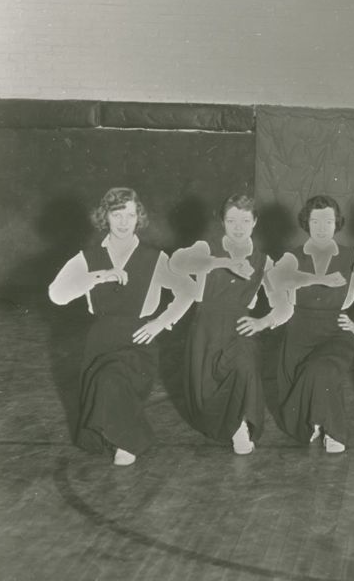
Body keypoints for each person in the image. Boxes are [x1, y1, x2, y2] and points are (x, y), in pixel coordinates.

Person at [48, 187, 194, 466]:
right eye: (118, 214)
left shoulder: (155, 258)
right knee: (103, 388)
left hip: (139, 340)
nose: (124, 222)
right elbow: (57, 294)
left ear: (139, 218)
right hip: (100, 339)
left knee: (111, 380)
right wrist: (99, 276)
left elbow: (188, 290)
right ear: (106, 216)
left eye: (130, 214)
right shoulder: (87, 258)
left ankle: (130, 441)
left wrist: (161, 322)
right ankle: (118, 435)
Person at [169, 195, 291, 456]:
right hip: (206, 329)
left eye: (245, 220)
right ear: (222, 222)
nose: (238, 227)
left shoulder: (263, 261)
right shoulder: (205, 248)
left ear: (255, 222)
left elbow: (284, 306)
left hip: (240, 327)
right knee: (206, 395)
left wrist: (264, 321)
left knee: (245, 367)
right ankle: (226, 422)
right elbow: (176, 263)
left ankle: (242, 427)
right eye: (231, 220)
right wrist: (224, 262)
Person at [267, 195, 354, 453]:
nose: (322, 227)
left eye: (328, 221)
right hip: (298, 334)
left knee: (321, 370)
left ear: (337, 223)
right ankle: (312, 421)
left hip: (336, 332)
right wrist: (317, 279)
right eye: (315, 221)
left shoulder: (352, 257)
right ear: (306, 223)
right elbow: (277, 278)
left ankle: (333, 431)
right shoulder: (293, 256)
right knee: (293, 409)